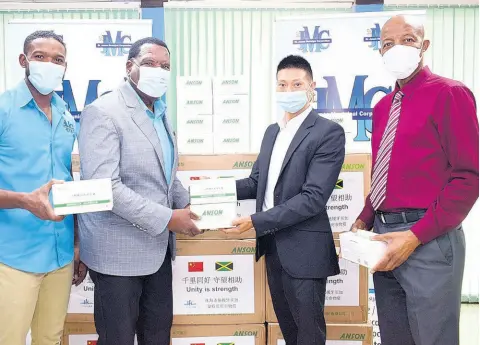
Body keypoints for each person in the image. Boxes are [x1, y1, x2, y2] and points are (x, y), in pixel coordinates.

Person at [351, 15, 479, 345]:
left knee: (432, 338)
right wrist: (365, 218)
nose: (397, 49)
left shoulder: (451, 94)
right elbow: (386, 170)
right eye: (387, 44)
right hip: (383, 236)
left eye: (407, 40)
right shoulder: (381, 108)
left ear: (424, 45)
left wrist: (414, 236)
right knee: (396, 337)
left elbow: (468, 178)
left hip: (430, 238)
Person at [78, 37, 201, 345]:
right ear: (129, 67)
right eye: (149, 64)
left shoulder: (161, 112)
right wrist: (169, 218)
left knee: (158, 337)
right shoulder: (103, 111)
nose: (158, 71)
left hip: (158, 254)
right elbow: (106, 188)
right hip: (117, 256)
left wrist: (203, 207)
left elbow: (166, 178)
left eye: (165, 66)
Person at [224, 55, 346, 345]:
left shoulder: (328, 132)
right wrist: (210, 193)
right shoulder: (272, 132)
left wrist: (255, 221)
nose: (288, 90)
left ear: (311, 86)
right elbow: (256, 183)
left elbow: (313, 198)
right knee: (289, 332)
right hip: (273, 247)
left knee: (308, 334)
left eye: (296, 84)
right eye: (282, 84)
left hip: (305, 251)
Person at [0, 30, 87, 345]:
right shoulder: (4, 109)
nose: (50, 64)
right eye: (40, 57)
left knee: (50, 338)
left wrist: (78, 244)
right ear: (24, 61)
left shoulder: (66, 114)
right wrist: (24, 201)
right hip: (13, 255)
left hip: (60, 253)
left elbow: (66, 177)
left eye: (58, 59)